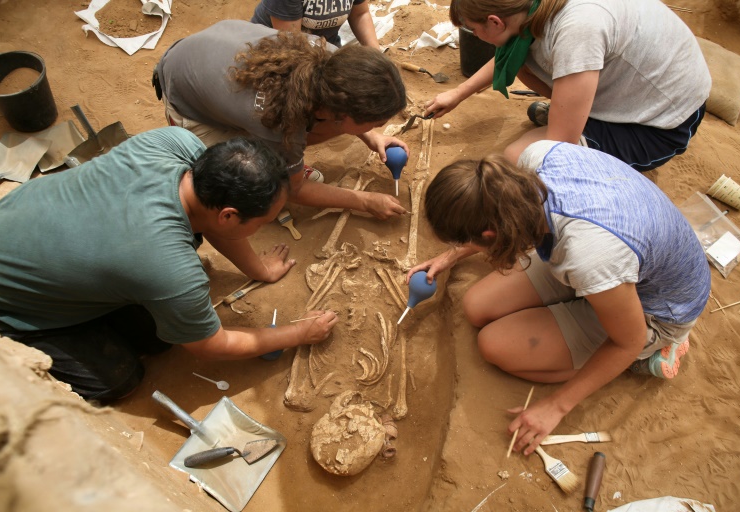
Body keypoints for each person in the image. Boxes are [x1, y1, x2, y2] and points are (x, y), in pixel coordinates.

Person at [0, 127, 338, 402]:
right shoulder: (169, 268)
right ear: (230, 216)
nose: (261, 228)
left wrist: (259, 270)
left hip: (15, 225)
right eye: (261, 222)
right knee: (120, 378)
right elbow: (210, 346)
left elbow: (214, 221)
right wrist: (298, 334)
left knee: (158, 333)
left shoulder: (176, 144)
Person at [408, 140, 710, 454]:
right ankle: (591, 305)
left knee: (494, 345)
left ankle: (655, 352)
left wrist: (556, 407)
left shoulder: (587, 256)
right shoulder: (531, 161)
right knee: (476, 307)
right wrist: (452, 256)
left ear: (489, 235)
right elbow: (499, 217)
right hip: (614, 262)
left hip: (657, 308)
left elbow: (627, 340)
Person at [153, 20, 408, 220]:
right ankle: (281, 166)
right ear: (340, 112)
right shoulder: (279, 119)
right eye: (375, 123)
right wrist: (364, 201)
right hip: (185, 97)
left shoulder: (332, 63)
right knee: (255, 184)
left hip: (209, 54)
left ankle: (287, 164)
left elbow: (344, 104)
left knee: (296, 147)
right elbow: (295, 191)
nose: (379, 126)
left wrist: (372, 136)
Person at [425, 0, 711, 171]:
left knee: (520, 158)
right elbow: (509, 58)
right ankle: (575, 112)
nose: (474, 36)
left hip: (658, 125)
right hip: (637, 88)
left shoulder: (577, 31)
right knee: (522, 65)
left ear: (495, 21)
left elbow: (559, 145)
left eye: (474, 30)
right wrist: (458, 93)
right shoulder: (531, 8)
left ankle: (591, 131)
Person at [251, 0, 380, 49]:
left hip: (325, 45)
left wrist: (377, 56)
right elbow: (292, 46)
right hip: (275, 50)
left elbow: (360, 15)